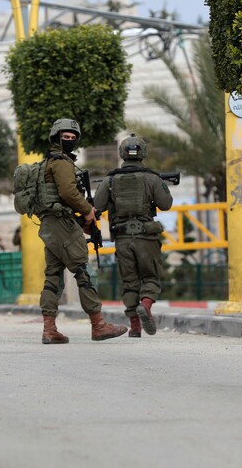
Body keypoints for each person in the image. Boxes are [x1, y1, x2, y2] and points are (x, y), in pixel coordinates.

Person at [34, 118, 128, 344]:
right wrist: (87, 211)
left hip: (50, 226)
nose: (69, 140)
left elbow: (59, 198)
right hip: (62, 225)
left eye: (72, 137)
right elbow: (68, 193)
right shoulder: (62, 163)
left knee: (53, 276)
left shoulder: (47, 162)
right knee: (84, 272)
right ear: (56, 137)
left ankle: (49, 329)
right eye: (65, 137)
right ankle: (99, 325)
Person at [93, 134, 173, 337]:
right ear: (143, 153)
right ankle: (145, 305)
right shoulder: (152, 178)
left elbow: (97, 205)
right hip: (146, 237)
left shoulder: (110, 179)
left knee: (129, 282)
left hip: (122, 238)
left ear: (122, 153)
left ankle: (135, 327)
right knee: (150, 277)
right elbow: (166, 204)